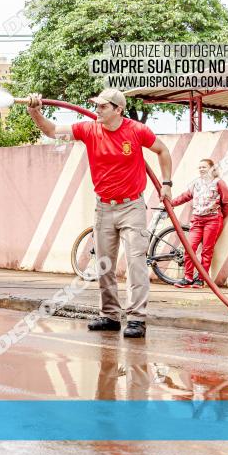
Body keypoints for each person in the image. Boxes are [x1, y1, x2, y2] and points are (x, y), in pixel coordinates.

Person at [27, 89, 173, 338]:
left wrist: (167, 184)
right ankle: (110, 316)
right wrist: (34, 111)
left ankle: (136, 319)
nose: (97, 110)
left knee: (136, 263)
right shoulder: (88, 129)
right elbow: (51, 131)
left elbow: (163, 151)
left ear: (118, 109)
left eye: (103, 107)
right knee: (104, 264)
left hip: (132, 206)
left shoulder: (137, 131)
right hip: (104, 206)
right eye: (96, 105)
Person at [169, 158, 228, 288]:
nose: (201, 169)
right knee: (189, 249)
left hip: (212, 221)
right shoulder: (196, 183)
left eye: (204, 167)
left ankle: (201, 279)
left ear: (211, 168)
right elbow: (186, 196)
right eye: (199, 167)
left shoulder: (219, 183)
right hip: (197, 220)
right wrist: (171, 203)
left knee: (207, 251)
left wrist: (220, 216)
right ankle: (188, 278)